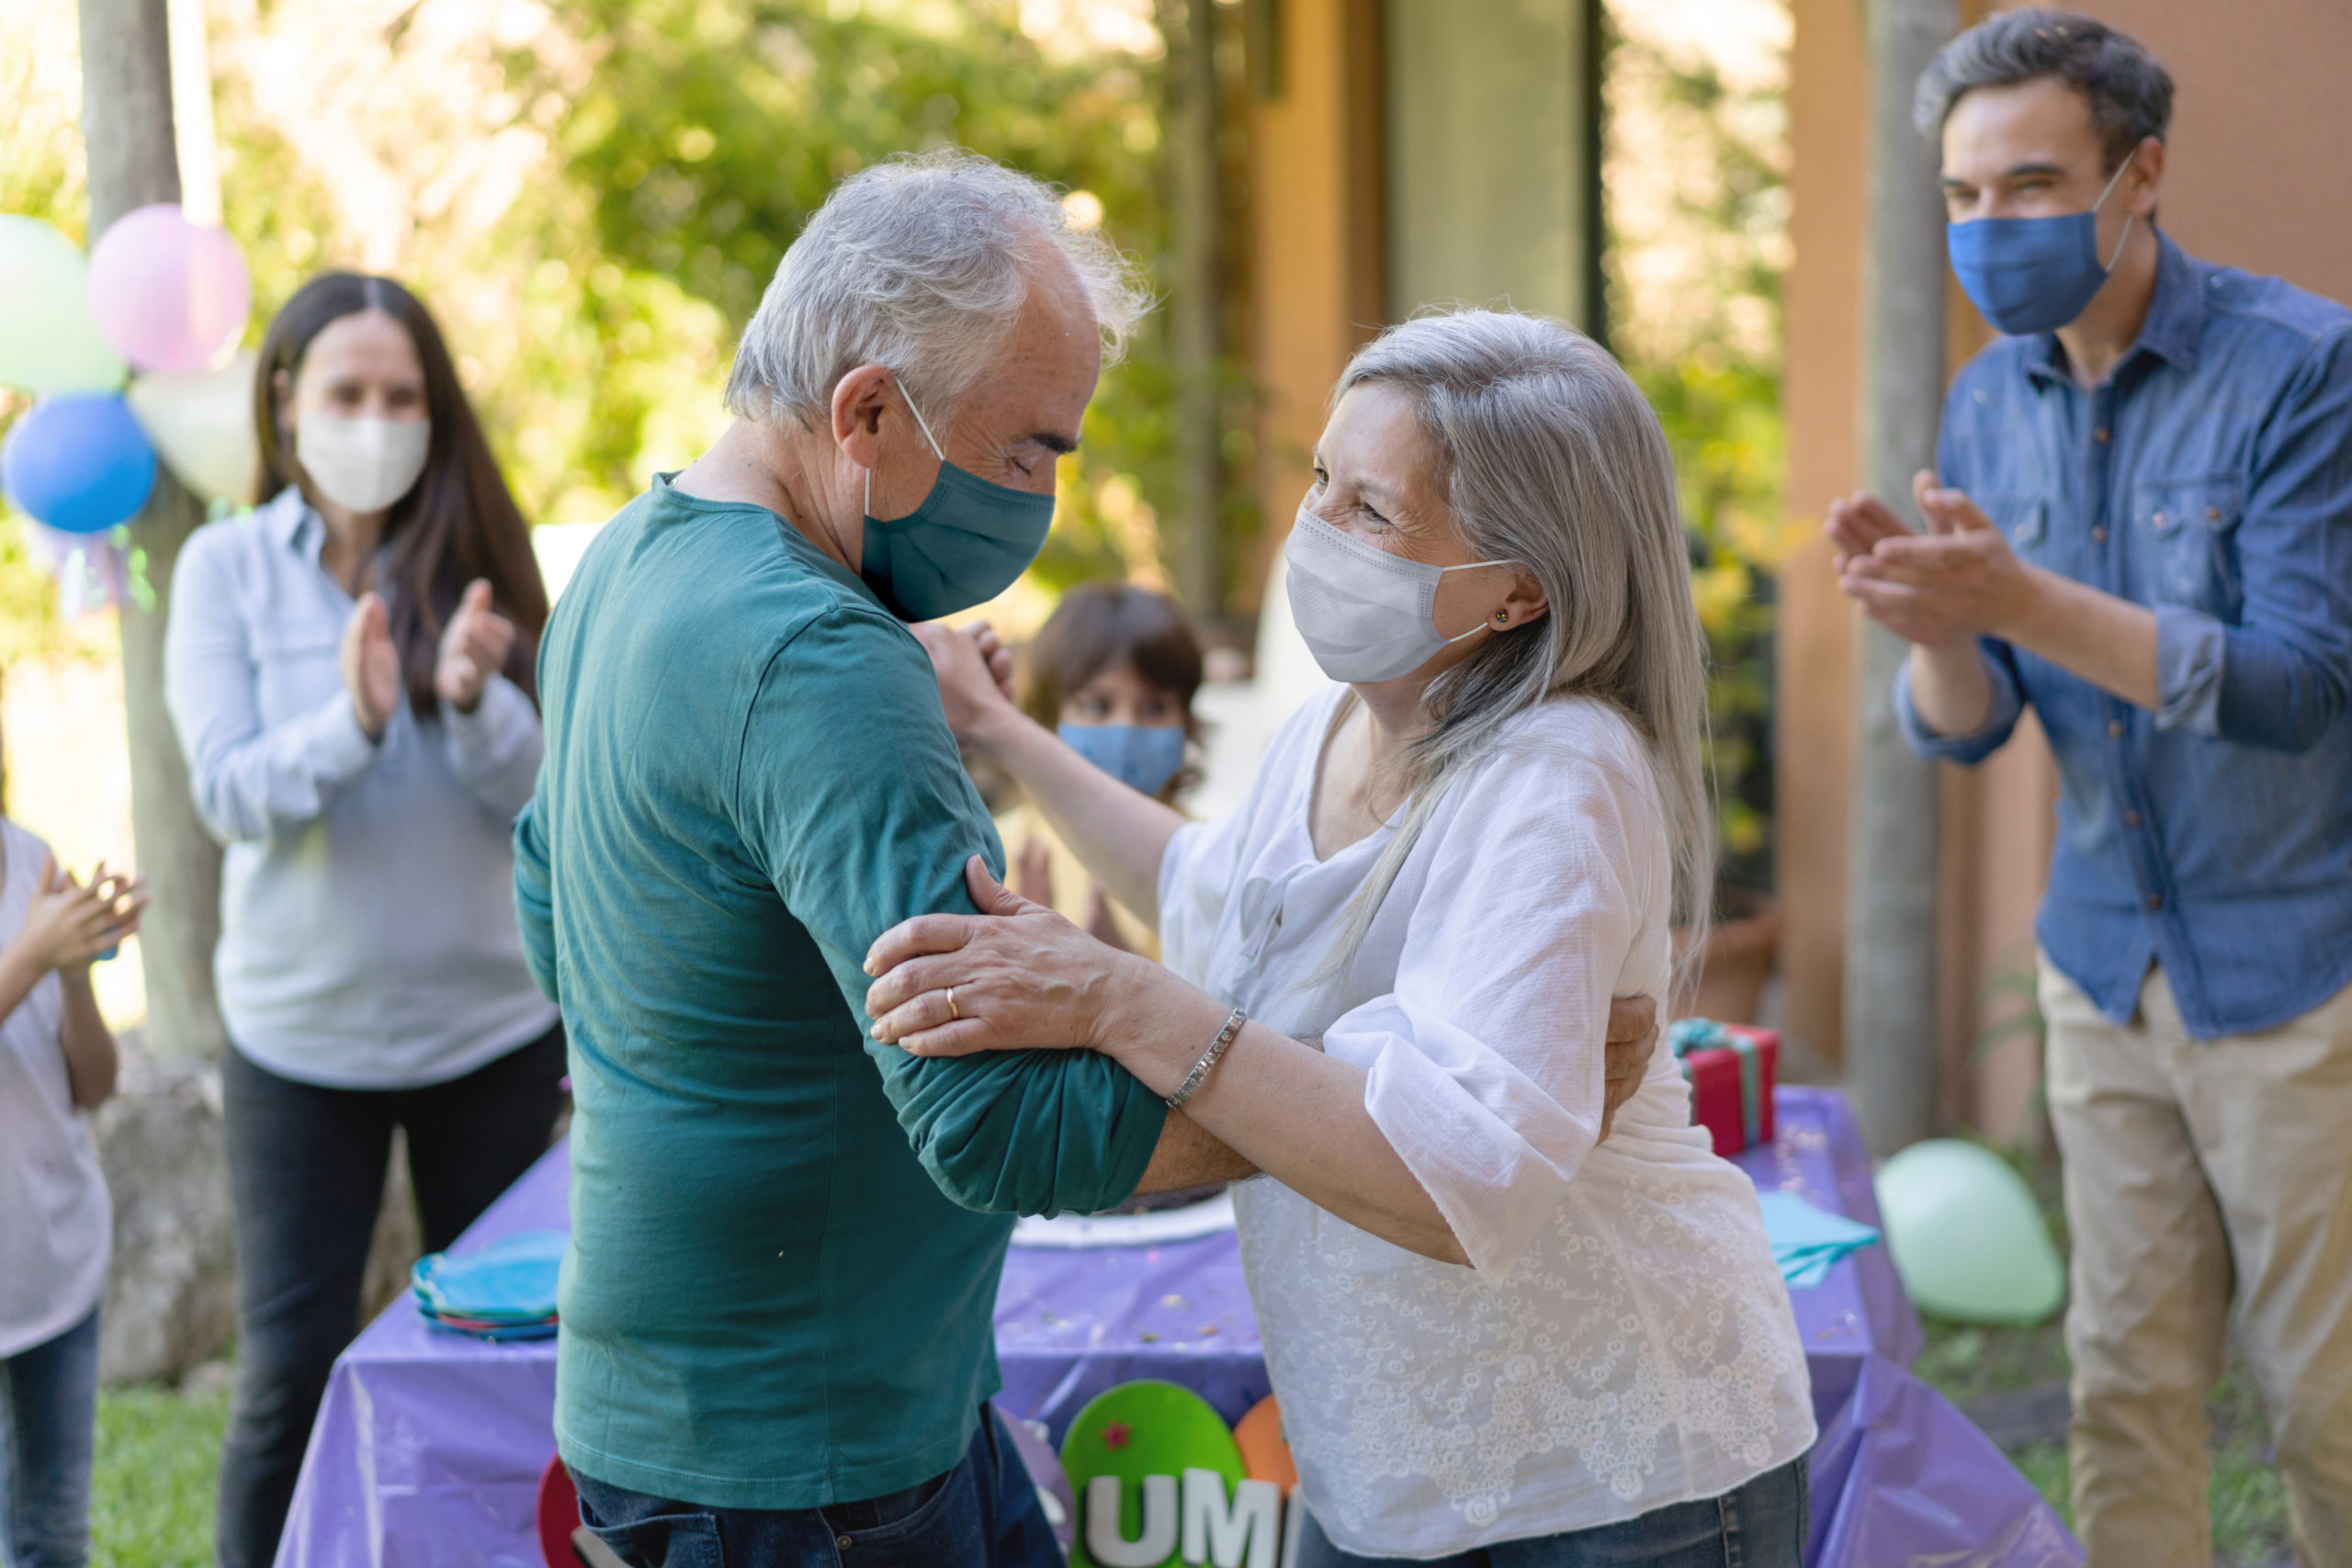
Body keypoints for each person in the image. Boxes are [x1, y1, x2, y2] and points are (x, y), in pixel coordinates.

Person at [513, 155, 1664, 1567]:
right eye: (1028, 451)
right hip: (813, 1453)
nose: (1050, 488)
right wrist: (1378, 1093)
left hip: (700, 1402)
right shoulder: (826, 660)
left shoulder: (631, 558)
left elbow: (552, 918)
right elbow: (997, 1124)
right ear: (867, 411)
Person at [866, 308, 1816, 1566]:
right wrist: (1001, 731)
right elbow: (1208, 884)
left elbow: (1448, 1174)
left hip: (1613, 1481)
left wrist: (1118, 1002)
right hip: (1387, 1460)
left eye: (1371, 509)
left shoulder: (1556, 775)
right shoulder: (1337, 723)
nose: (1315, 528)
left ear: (1520, 586)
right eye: (1321, 479)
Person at [1826, 13, 2352, 1565]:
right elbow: (1972, 723)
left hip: (2296, 976)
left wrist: (2019, 599)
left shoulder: (2304, 371)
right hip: (2100, 967)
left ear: (2142, 177)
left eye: (2032, 185)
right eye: (1965, 197)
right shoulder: (1991, 401)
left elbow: (2298, 684)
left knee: (2325, 1395)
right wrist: (1936, 633)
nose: (1994, 230)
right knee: (2124, 1381)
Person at [164, 272, 565, 1568]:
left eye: (403, 395)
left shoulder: (483, 569)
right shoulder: (224, 568)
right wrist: (356, 720)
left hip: (492, 1033)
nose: (376, 419)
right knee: (289, 1371)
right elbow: (227, 790)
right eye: (348, 392)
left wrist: (469, 699)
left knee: (510, 1360)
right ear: (286, 401)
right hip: (303, 1045)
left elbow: (554, 797)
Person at [0, 828, 141, 1568]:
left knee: (53, 1541)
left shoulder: (30, 860)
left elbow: (93, 1084)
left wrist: (76, 971)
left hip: (50, 1267)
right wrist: (29, 956)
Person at [999, 581, 1204, 957]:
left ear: (1187, 723)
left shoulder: (1211, 861)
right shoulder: (994, 853)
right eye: (1096, 706)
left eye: (1155, 707)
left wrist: (1126, 979)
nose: (1126, 730)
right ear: (1046, 721)